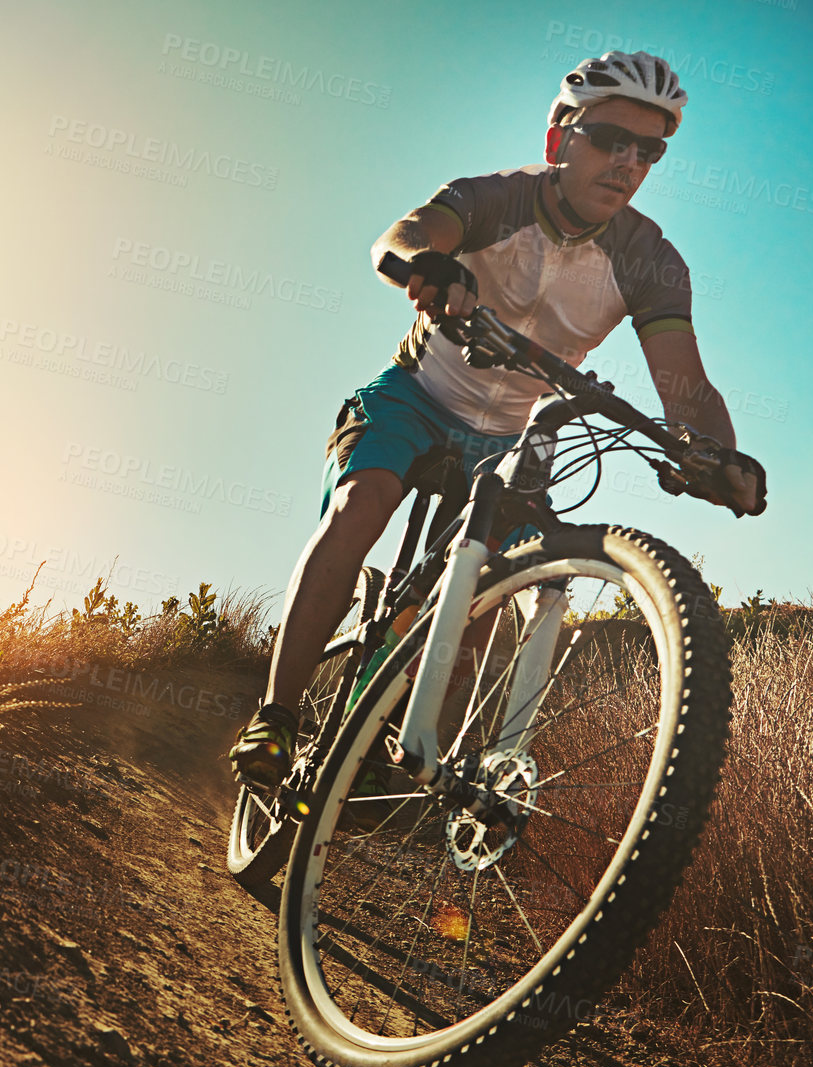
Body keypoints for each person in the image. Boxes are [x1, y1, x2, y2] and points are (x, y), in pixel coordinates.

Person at [231, 50, 767, 790]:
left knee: (499, 585)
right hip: (415, 395)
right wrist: (430, 263)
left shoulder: (650, 260)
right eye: (611, 138)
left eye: (649, 150)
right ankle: (276, 716)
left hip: (514, 439)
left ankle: (392, 739)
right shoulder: (490, 198)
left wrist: (716, 455)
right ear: (559, 137)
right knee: (362, 505)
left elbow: (686, 386)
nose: (629, 162)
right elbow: (405, 235)